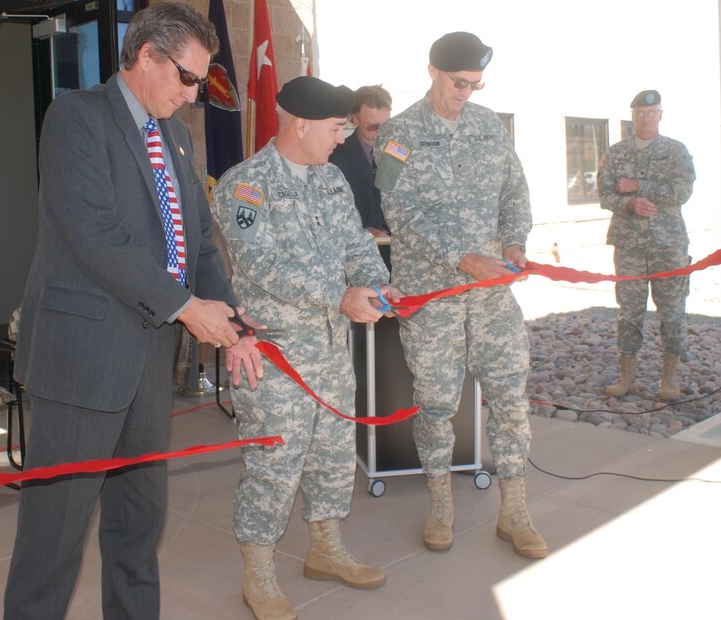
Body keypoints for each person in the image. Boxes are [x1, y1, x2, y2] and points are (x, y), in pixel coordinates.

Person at [3, 2, 262, 620]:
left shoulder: (174, 133)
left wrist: (228, 320)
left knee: (138, 527)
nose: (194, 94)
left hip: (148, 362)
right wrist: (185, 308)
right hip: (81, 363)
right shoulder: (76, 118)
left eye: (201, 82)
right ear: (145, 55)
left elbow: (195, 242)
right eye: (186, 77)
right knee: (54, 539)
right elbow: (96, 237)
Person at [214, 76, 400, 620]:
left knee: (333, 458)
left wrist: (376, 282)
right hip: (275, 359)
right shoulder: (245, 185)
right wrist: (340, 295)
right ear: (300, 124)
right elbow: (263, 266)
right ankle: (260, 574)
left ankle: (325, 549)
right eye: (336, 126)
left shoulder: (332, 180)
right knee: (273, 466)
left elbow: (356, 243)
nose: (342, 137)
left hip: (331, 352)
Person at [374, 31, 546, 559]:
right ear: (432, 71)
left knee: (512, 398)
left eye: (474, 84)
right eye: (458, 82)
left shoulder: (489, 125)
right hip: (434, 296)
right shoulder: (397, 135)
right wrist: (461, 256)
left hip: (492, 295)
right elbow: (399, 213)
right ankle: (441, 504)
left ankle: (514, 510)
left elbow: (515, 189)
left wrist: (516, 239)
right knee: (436, 403)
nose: (465, 93)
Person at [598, 90, 695, 401]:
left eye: (650, 112)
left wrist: (640, 186)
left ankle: (669, 381)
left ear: (660, 115)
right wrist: (629, 204)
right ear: (633, 116)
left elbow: (682, 191)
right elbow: (605, 196)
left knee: (672, 313)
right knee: (629, 313)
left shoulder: (676, 151)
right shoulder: (615, 154)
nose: (644, 118)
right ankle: (627, 377)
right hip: (629, 246)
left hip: (668, 246)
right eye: (639, 113)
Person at [329, 85, 392, 238]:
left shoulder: (402, 152)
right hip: (361, 248)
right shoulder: (335, 158)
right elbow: (332, 211)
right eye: (373, 126)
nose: (382, 132)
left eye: (387, 125)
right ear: (354, 119)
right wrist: (366, 230)